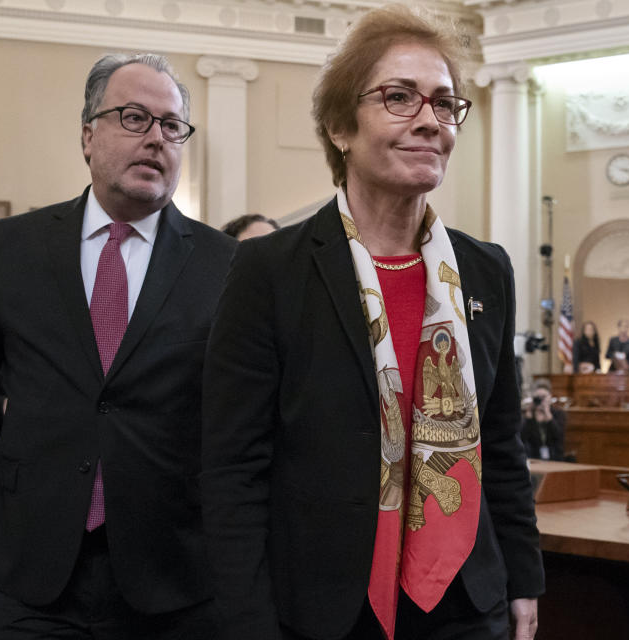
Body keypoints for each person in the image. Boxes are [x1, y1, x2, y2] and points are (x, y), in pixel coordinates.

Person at [201, 6, 544, 640]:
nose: (428, 121)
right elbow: (232, 468)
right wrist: (246, 619)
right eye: (398, 97)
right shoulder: (268, 269)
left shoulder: (486, 271)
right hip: (325, 605)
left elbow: (500, 446)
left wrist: (523, 579)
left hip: (466, 602)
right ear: (339, 126)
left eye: (445, 104)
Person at [0, 54, 236, 638]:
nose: (156, 139)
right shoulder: (16, 248)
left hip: (174, 570)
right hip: (34, 562)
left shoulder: (226, 264)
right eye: (134, 118)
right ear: (88, 136)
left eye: (171, 126)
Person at [521, 382, 566, 461]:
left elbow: (558, 435)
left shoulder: (558, 413)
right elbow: (522, 437)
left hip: (554, 456)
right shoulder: (529, 415)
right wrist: (528, 417)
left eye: (543, 397)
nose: (540, 400)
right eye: (538, 397)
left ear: (550, 397)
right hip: (533, 456)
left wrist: (547, 413)